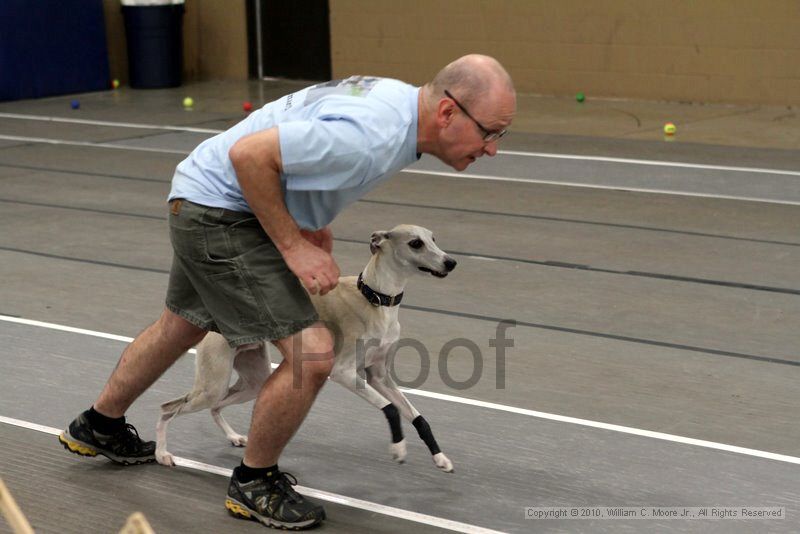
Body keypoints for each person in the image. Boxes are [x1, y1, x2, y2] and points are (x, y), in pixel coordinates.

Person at [58, 54, 515, 530]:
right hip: (222, 214)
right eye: (491, 132)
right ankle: (254, 483)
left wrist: (313, 225)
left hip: (201, 197)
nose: (492, 148)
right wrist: (294, 245)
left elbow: (305, 151)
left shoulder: (399, 109)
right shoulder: (373, 135)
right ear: (447, 113)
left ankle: (100, 425)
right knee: (314, 353)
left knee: (184, 324)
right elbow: (251, 156)